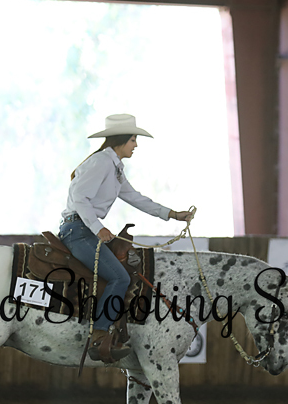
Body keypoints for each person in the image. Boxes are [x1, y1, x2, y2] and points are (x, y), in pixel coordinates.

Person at [60, 114, 193, 362]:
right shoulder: (102, 162)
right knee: (120, 277)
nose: (136, 145)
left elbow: (136, 198)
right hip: (78, 230)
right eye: (133, 140)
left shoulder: (114, 168)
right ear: (121, 140)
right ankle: (99, 335)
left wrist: (172, 214)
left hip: (82, 229)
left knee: (120, 273)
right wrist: (98, 227)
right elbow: (79, 197)